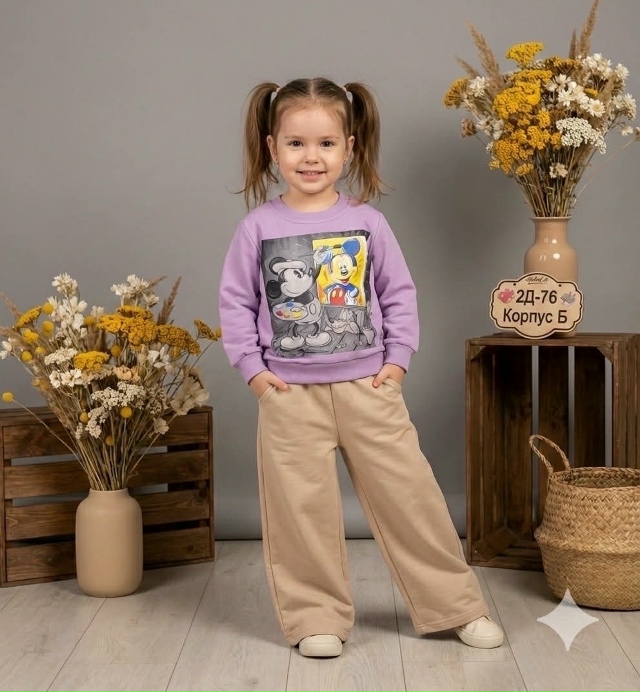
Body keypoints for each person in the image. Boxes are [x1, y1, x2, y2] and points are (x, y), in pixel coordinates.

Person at [218, 77, 504, 658]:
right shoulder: (257, 228)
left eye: (325, 143)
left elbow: (398, 293)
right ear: (272, 148)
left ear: (349, 147)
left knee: (412, 498)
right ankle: (315, 617)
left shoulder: (368, 223)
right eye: (296, 143)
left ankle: (455, 605)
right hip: (289, 397)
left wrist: (397, 363)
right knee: (300, 513)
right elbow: (236, 303)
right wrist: (254, 371)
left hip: (368, 388)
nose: (311, 157)